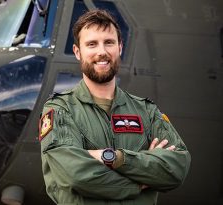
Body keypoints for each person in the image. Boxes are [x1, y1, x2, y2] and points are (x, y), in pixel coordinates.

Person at [39, 9, 191, 205]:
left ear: (120, 47)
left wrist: (114, 158)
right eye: (92, 44)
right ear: (78, 52)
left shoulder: (146, 111)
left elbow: (177, 167)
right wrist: (138, 182)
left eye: (109, 42)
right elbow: (74, 174)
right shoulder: (61, 109)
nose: (102, 51)